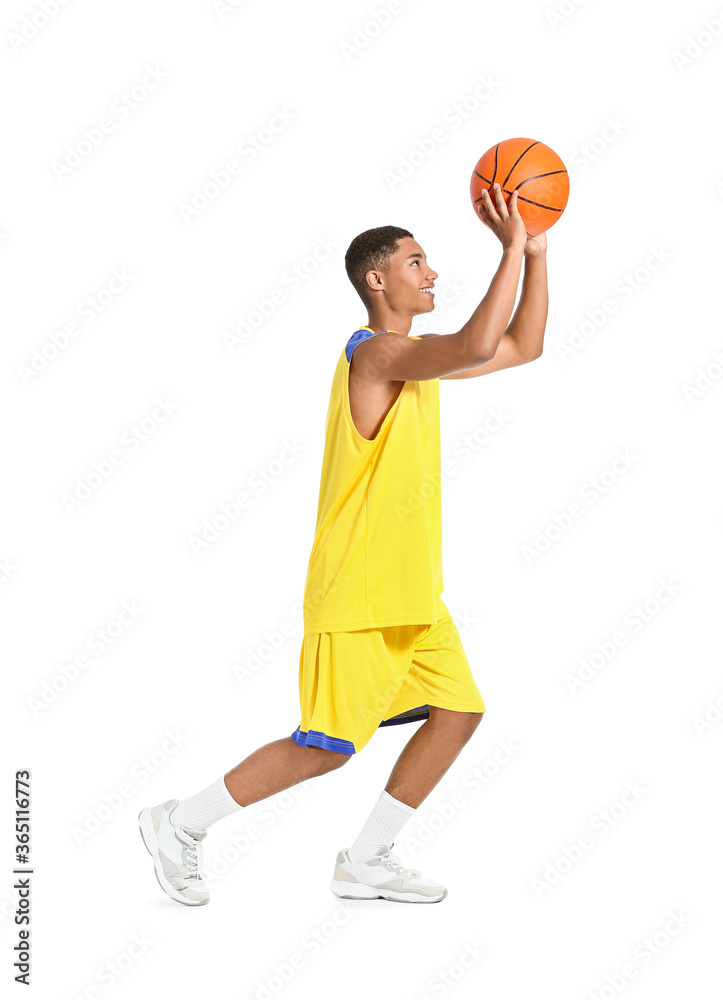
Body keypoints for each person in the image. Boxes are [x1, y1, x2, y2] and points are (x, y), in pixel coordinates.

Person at [139, 185, 548, 906]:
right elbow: (483, 340)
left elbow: (520, 346)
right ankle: (179, 823)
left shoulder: (416, 358)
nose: (431, 273)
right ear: (376, 278)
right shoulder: (377, 354)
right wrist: (509, 246)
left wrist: (535, 255)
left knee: (457, 713)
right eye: (416, 261)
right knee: (322, 749)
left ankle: (365, 859)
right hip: (358, 591)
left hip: (413, 593)